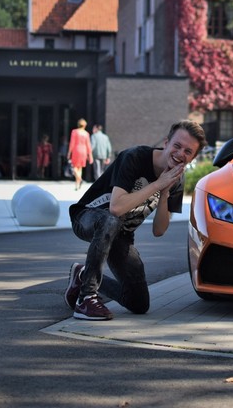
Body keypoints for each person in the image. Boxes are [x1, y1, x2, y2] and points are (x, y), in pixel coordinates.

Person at [64, 120, 207, 320]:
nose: (180, 153)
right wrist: (157, 184)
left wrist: (164, 193)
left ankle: (82, 274)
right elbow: (116, 207)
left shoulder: (176, 180)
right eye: (177, 146)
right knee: (110, 220)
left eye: (188, 151)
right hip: (88, 216)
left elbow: (159, 230)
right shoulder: (135, 157)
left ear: (192, 158)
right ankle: (86, 298)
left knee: (138, 302)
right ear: (166, 143)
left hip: (120, 234)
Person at [67, 118, 93, 190]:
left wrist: (69, 153)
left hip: (76, 150)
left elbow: (72, 143)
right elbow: (88, 145)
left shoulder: (74, 132)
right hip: (84, 151)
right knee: (80, 168)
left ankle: (79, 179)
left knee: (74, 166)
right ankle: (77, 185)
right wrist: (90, 155)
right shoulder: (86, 133)